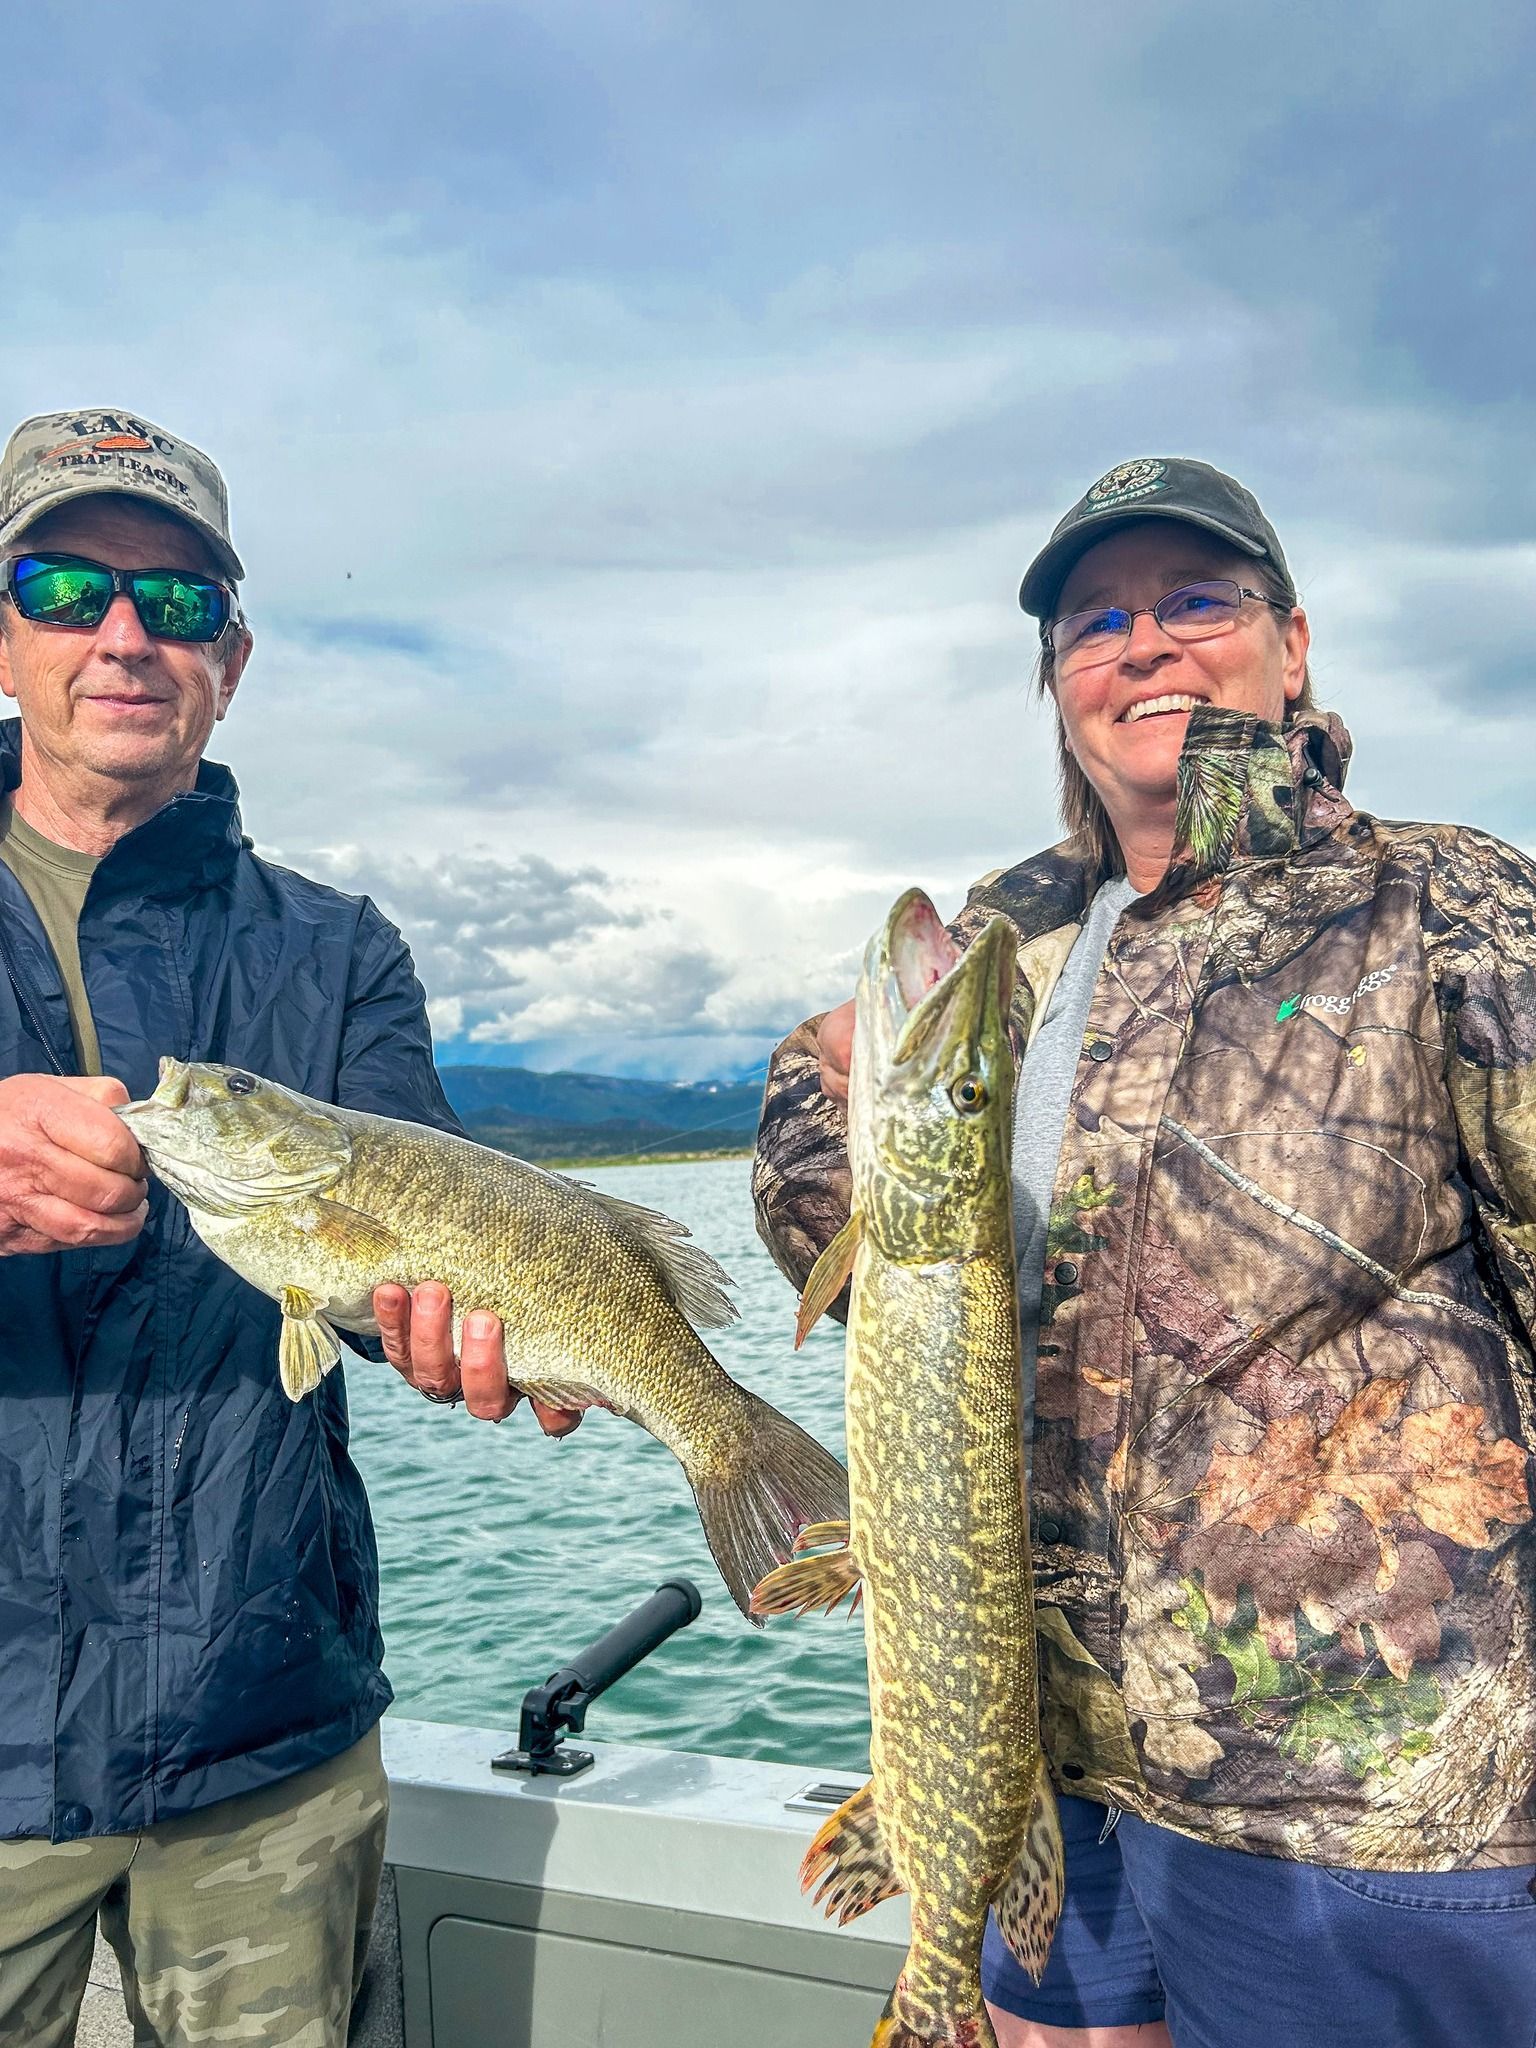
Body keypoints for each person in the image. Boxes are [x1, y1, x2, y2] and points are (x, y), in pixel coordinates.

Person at [753, 456, 1536, 2048]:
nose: (1147, 644)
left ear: (1292, 645)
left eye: (1196, 600)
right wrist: (814, 1097)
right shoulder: (1018, 940)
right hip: (1035, 1751)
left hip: (1357, 1796)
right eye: (1095, 623)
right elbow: (842, 1248)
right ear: (1059, 687)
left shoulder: (1443, 903)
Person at [0, 407, 578, 2048]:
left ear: (231, 662)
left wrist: (489, 1338)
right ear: (4, 635)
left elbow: (423, 1252)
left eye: (179, 602)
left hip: (265, 1738)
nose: (126, 635)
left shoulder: (340, 952)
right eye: (68, 588)